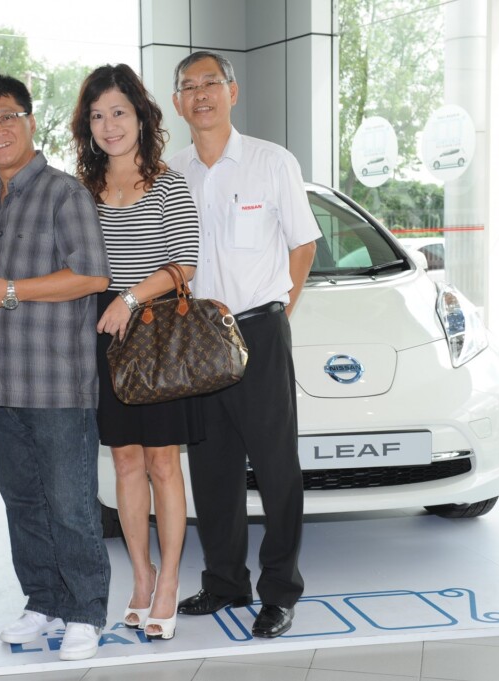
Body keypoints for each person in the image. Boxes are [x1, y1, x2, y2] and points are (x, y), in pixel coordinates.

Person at [0, 74, 112, 662]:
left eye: (7, 116)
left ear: (30, 122)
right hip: (1, 377)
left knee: (70, 502)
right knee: (21, 499)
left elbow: (93, 276)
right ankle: (43, 600)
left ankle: (85, 611)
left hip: (56, 378)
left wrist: (10, 289)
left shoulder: (64, 193)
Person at [168, 51, 319, 638]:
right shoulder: (170, 172)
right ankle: (225, 581)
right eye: (188, 86)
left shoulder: (271, 162)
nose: (200, 93)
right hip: (194, 339)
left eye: (211, 82)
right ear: (177, 102)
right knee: (212, 469)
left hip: (257, 330)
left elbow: (302, 246)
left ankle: (280, 590)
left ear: (233, 91)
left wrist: (280, 310)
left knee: (277, 466)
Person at [70, 63, 202, 641]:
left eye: (119, 112)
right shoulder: (82, 192)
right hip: (105, 345)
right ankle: (142, 577)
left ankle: (171, 579)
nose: (109, 125)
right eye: (97, 116)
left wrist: (128, 295)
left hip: (157, 344)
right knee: (125, 463)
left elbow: (185, 266)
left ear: (141, 116)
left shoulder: (170, 183)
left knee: (162, 464)